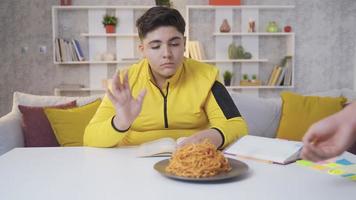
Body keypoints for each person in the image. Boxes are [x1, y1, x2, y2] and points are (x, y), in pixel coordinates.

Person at [83, 6, 247, 149]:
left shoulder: (207, 76)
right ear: (143, 49)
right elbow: (90, 137)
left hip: (193, 159)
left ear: (184, 43)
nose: (167, 54)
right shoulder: (125, 82)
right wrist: (121, 122)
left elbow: (237, 125)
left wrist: (213, 137)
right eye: (155, 46)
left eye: (174, 44)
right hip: (132, 165)